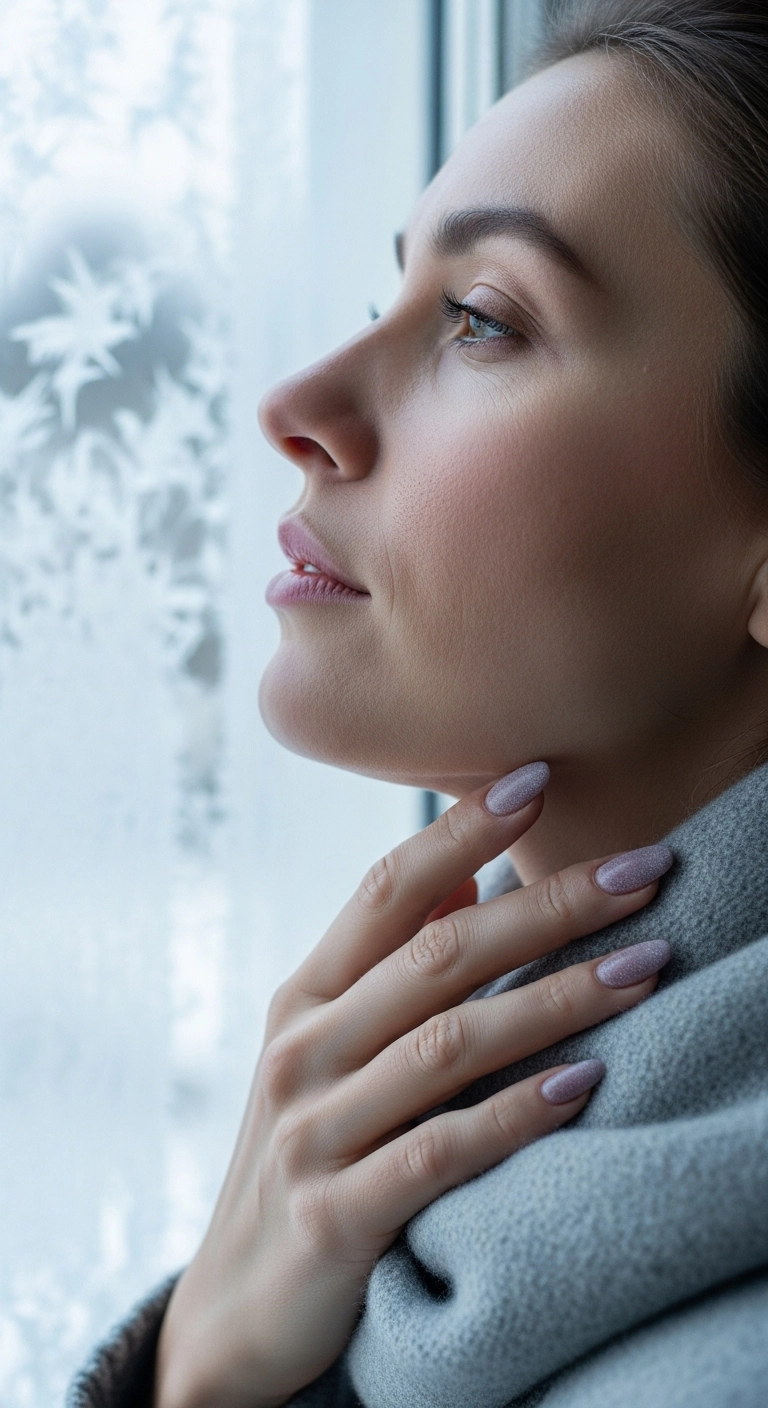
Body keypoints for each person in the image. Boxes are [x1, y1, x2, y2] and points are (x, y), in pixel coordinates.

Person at [69, 2, 768, 1405]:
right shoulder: (391, 1198)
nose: (296, 403)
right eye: (383, 300)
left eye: (482, 320)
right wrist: (200, 1362)